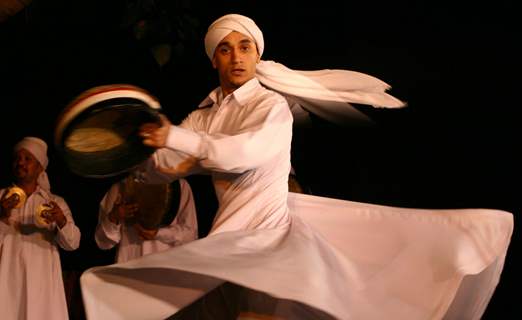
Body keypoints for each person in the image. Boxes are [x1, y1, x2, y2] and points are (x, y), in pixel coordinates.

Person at [80, 14, 513, 320]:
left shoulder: (271, 107)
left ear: (256, 53)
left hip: (269, 241)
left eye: (244, 45)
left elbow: (240, 154)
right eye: (225, 48)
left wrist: (172, 137)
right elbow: (164, 167)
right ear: (213, 59)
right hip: (230, 243)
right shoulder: (203, 115)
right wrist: (139, 147)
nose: (235, 55)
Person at [0, 136, 81, 320]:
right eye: (17, 158)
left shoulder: (54, 202)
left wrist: (61, 220)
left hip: (43, 281)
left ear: (40, 167)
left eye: (27, 158)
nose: (20, 162)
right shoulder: (1, 198)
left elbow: (73, 243)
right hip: (7, 280)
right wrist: (3, 216)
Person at [95, 174, 198, 263]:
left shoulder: (180, 186)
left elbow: (190, 236)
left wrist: (159, 234)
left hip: (166, 274)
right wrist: (114, 217)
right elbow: (103, 243)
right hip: (129, 272)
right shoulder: (120, 187)